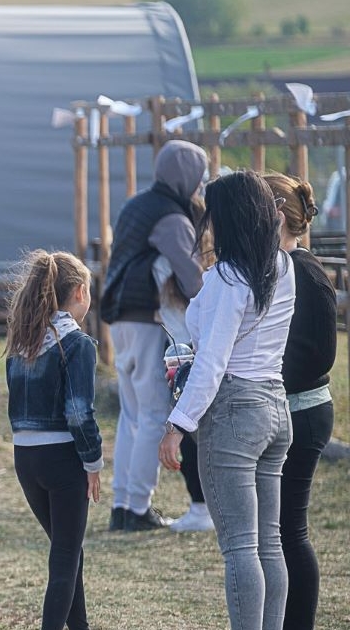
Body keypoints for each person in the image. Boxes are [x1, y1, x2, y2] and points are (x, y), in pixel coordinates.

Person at [159, 170, 296, 630]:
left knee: (240, 546)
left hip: (236, 410)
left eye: (213, 216)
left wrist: (178, 425)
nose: (208, 225)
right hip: (275, 405)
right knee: (268, 543)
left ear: (230, 218)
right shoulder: (283, 265)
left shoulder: (228, 279)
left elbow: (212, 363)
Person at [101, 139, 207, 531]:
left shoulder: (136, 203)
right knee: (151, 416)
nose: (200, 187)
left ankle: (122, 504)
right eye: (198, 177)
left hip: (119, 318)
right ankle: (138, 509)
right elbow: (192, 277)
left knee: (131, 415)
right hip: (147, 318)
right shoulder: (171, 218)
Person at [5, 249, 103, 630]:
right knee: (64, 557)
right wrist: (93, 462)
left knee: (67, 551)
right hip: (63, 460)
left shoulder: (22, 343)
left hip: (25, 459)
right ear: (80, 293)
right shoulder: (77, 345)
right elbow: (79, 413)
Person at [263, 172, 336, 630]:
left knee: (290, 530)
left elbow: (319, 353)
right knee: (282, 531)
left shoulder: (303, 272)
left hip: (303, 410)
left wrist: (267, 375)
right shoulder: (287, 267)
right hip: (293, 407)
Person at [153, 255, 214, 533]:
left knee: (190, 433)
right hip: (190, 357)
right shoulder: (202, 277)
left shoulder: (164, 269)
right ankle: (202, 505)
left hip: (185, 359)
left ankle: (201, 505)